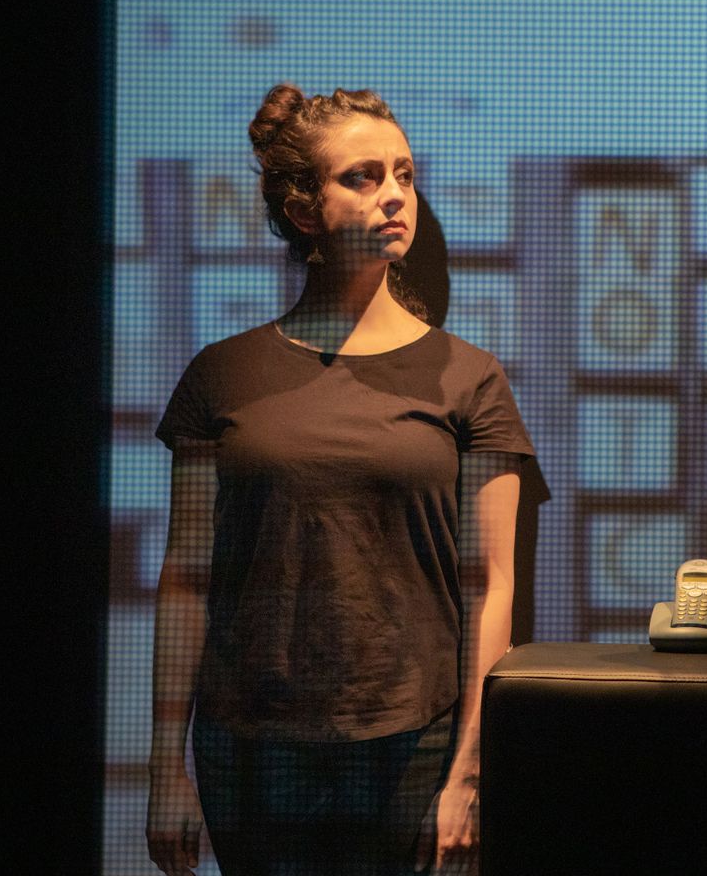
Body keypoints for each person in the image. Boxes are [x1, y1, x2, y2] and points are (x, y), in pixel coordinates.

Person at [146, 86, 536, 876]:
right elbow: (187, 576)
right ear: (303, 209)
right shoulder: (222, 375)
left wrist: (470, 767)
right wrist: (164, 768)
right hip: (249, 744)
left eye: (404, 174)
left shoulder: (469, 378)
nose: (394, 194)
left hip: (411, 742)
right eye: (363, 176)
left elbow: (491, 584)